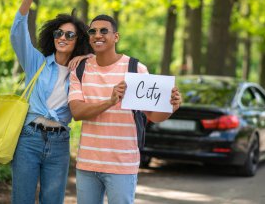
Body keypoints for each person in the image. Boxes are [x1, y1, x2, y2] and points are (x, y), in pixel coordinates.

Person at [68, 14, 182, 204]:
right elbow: (77, 112)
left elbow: (154, 115)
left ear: (116, 37)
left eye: (104, 30)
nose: (98, 35)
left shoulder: (135, 69)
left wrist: (171, 107)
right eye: (93, 31)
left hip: (122, 164)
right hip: (88, 163)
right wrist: (110, 101)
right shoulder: (80, 70)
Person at [10, 0, 92, 204]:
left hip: (59, 143)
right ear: (52, 36)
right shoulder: (36, 62)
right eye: (59, 33)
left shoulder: (83, 70)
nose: (62, 38)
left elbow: (108, 63)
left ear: (78, 41)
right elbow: (17, 32)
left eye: (69, 35)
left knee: (53, 200)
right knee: (22, 199)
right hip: (29, 138)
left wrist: (88, 57)